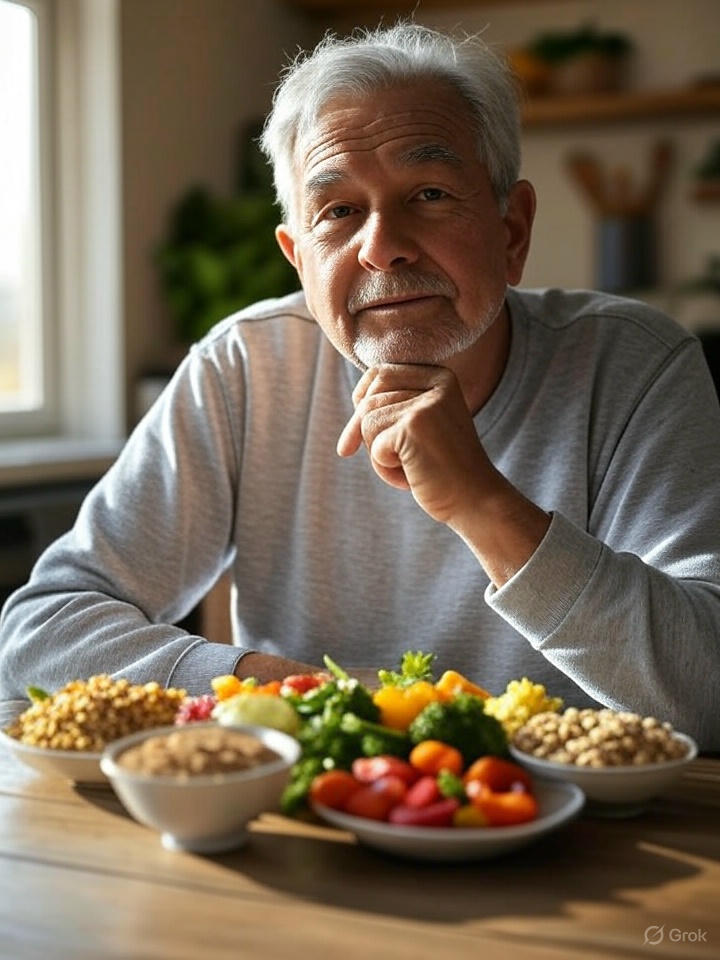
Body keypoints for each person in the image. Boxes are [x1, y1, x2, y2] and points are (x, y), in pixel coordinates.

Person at [1, 23, 719, 748]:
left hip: (580, 843)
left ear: (513, 231)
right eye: (338, 211)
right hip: (308, 826)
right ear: (298, 258)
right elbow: (41, 632)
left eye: (430, 193)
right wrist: (305, 695)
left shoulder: (633, 364)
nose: (381, 246)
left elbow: (710, 689)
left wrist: (482, 504)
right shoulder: (246, 367)